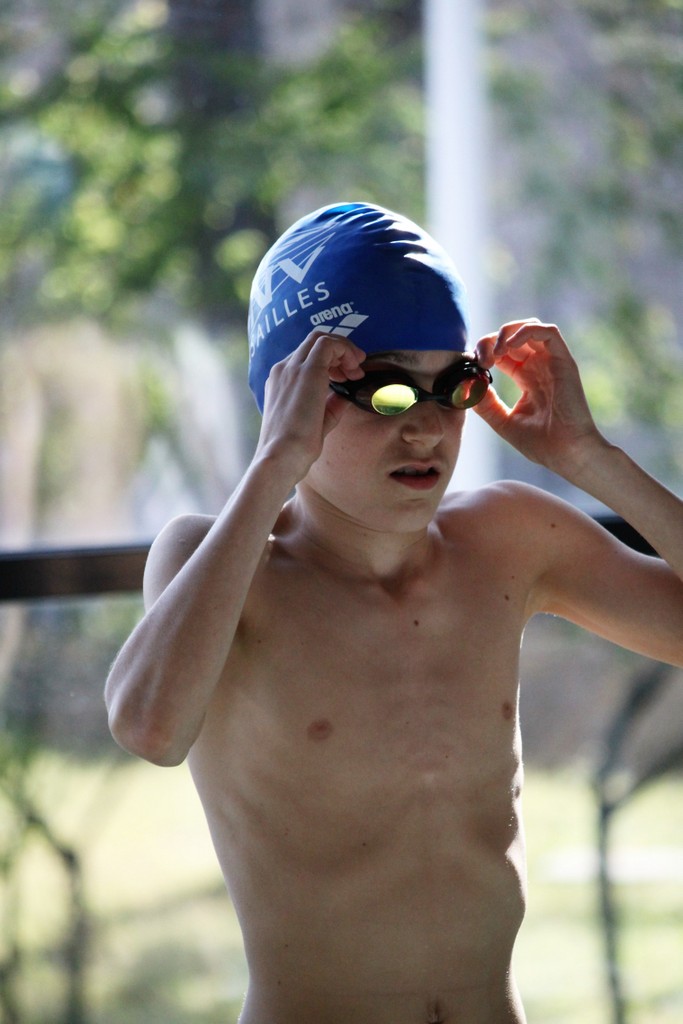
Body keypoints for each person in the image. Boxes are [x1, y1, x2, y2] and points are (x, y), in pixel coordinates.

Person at [105, 202, 683, 1024]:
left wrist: (590, 458)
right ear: (290, 394)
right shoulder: (227, 565)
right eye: (384, 390)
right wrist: (273, 464)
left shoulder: (508, 541)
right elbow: (149, 729)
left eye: (454, 386)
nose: (424, 426)